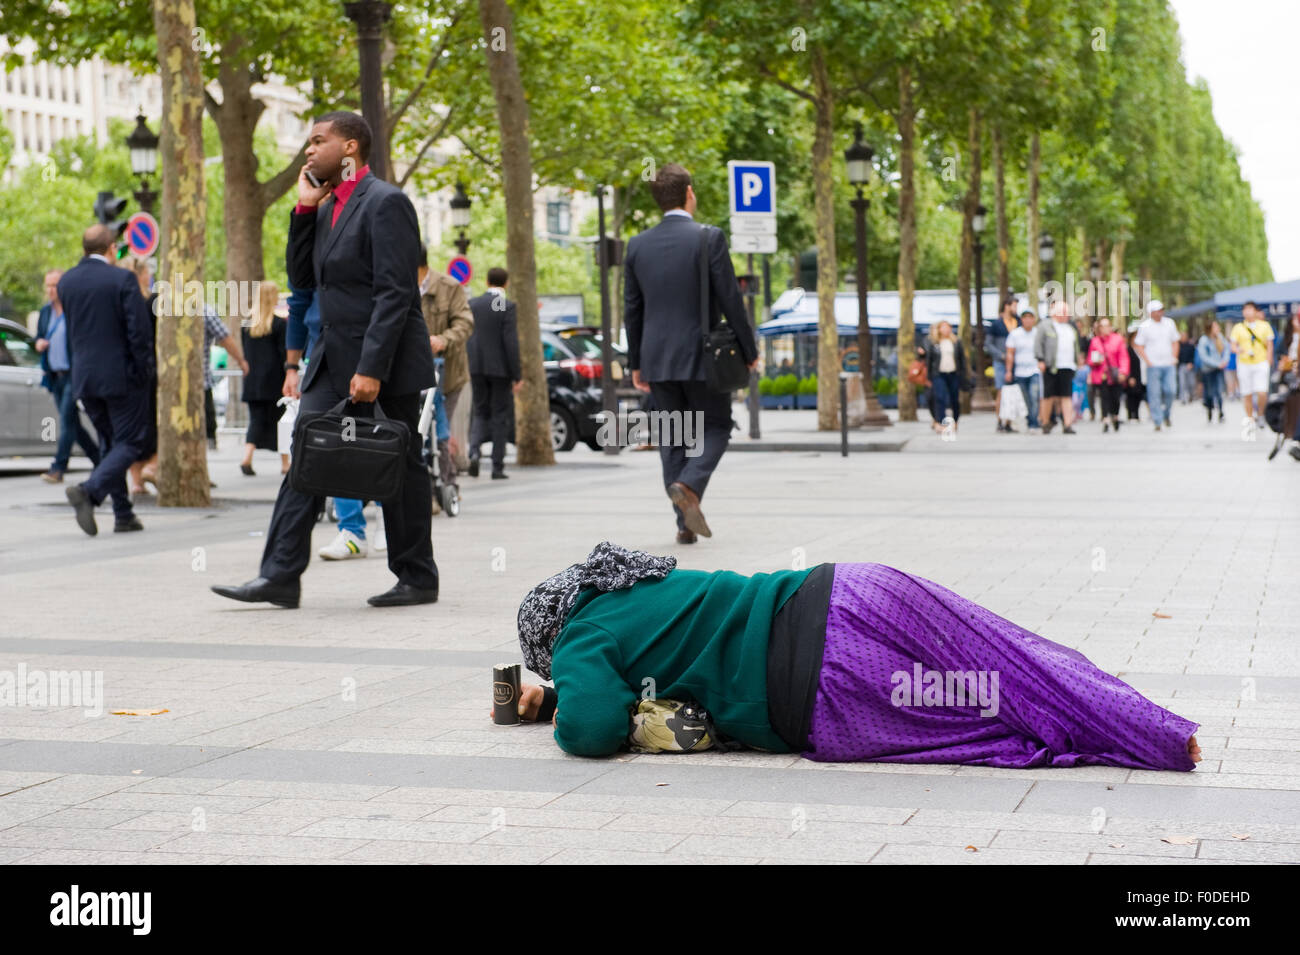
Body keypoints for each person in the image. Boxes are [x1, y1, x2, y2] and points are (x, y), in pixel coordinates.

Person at [507, 543, 1203, 770]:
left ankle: (1151, 746)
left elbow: (594, 727)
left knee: (983, 720)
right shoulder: (633, 582)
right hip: (849, 590)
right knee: (1012, 664)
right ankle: (1157, 726)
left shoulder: (580, 636)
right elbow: (651, 656)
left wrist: (560, 699)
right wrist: (564, 692)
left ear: (552, 635)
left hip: (825, 685)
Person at [212, 110, 439, 609]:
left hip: (386, 362)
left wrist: (372, 369)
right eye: (308, 143)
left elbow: (395, 294)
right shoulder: (327, 205)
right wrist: (303, 210)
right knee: (306, 458)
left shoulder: (386, 202)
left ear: (351, 147)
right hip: (330, 359)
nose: (309, 150)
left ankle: (417, 576)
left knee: (401, 463)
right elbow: (303, 282)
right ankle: (279, 576)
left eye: (319, 141)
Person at [624, 163, 759, 543]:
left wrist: (636, 361)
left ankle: (683, 522)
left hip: (656, 359)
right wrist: (748, 350)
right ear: (688, 193)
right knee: (716, 426)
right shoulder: (708, 238)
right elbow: (731, 300)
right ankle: (690, 484)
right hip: (703, 357)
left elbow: (632, 309)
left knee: (671, 434)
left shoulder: (637, 245)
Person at [57, 225, 154, 536]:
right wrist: (144, 371)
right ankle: (89, 491)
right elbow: (138, 333)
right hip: (122, 377)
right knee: (130, 442)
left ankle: (123, 514)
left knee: (110, 443)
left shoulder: (67, 281)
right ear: (112, 248)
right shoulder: (122, 279)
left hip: (85, 376)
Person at [34, 268, 101, 483]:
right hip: (54, 375)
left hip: (74, 373)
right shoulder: (45, 312)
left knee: (66, 419)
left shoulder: (75, 310)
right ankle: (99, 461)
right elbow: (39, 336)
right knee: (74, 425)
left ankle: (58, 467)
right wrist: (39, 344)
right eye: (48, 285)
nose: (51, 290)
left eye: (55, 285)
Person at [465, 267, 522, 480]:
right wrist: (517, 374)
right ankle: (497, 467)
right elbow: (511, 342)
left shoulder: (473, 304)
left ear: (487, 282)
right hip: (500, 370)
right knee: (499, 416)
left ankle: (474, 450)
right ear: (505, 283)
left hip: (477, 366)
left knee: (480, 412)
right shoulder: (505, 306)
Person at [238, 281, 289, 476]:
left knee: (256, 420)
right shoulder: (278, 325)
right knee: (280, 422)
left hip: (252, 380)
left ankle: (247, 457)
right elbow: (283, 353)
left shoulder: (247, 324)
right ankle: (285, 463)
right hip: (275, 380)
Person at [119, 255, 159, 497]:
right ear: (142, 275)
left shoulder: (119, 301)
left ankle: (136, 480)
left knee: (133, 425)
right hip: (149, 369)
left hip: (125, 372)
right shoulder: (153, 301)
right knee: (154, 420)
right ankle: (152, 466)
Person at [202, 305, 249, 450]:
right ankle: (210, 440)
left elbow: (225, 338)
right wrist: (240, 360)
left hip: (197, 380)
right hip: (200, 381)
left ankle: (209, 440)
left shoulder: (164, 306)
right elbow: (225, 338)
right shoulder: (204, 310)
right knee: (207, 415)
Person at [1034, 301, 1080, 434]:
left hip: (1067, 366)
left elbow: (1075, 346)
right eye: (1065, 312)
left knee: (1066, 396)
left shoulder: (1070, 328)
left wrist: (1077, 361)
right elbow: (1038, 344)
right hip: (1051, 366)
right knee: (1048, 396)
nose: (1067, 315)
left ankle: (1067, 424)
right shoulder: (1045, 325)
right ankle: (1045, 422)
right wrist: (1040, 359)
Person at [1133, 300, 1179, 431]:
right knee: (1154, 394)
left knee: (1170, 391)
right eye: (1157, 311)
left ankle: (1166, 414)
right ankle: (1157, 420)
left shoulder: (1169, 323)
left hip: (1168, 364)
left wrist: (1174, 357)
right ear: (1151, 313)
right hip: (1153, 365)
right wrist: (1148, 361)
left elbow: (1175, 341)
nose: (1160, 313)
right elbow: (1139, 345)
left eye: (1161, 310)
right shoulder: (1145, 326)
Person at [1230, 301, 1274, 427]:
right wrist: (1239, 350)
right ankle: (1250, 418)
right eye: (1245, 309)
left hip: (1260, 362)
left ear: (1256, 311)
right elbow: (1233, 345)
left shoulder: (1265, 326)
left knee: (1262, 391)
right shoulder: (1238, 328)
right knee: (1247, 393)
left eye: (1250, 309)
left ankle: (1260, 414)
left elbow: (1270, 345)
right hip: (1244, 363)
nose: (1247, 312)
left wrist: (1268, 360)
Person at [1085, 317, 1129, 433]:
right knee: (1104, 397)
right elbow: (1089, 359)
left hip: (1115, 374)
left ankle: (1115, 415)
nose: (1105, 328)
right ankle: (1105, 418)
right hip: (1101, 374)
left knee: (1115, 397)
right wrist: (1095, 362)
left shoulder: (1117, 339)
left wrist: (1123, 372)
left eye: (1106, 325)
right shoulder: (1095, 341)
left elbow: (1123, 357)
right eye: (1102, 326)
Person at [924, 320, 968, 433]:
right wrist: (928, 377)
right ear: (939, 329)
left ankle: (956, 421)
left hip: (953, 374)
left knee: (954, 399)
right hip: (938, 374)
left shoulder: (956, 342)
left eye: (947, 327)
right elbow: (929, 361)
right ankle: (941, 422)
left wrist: (963, 375)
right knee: (940, 398)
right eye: (943, 327)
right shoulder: (934, 343)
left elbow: (962, 360)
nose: (946, 330)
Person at [985, 297, 1019, 432]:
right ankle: (999, 420)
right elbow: (988, 344)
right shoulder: (996, 324)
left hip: (1017, 362)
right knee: (1001, 391)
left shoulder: (1018, 323)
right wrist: (1001, 355)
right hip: (1000, 362)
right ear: (1006, 306)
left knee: (1013, 392)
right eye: (1014, 306)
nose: (1016, 309)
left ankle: (1009, 422)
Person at [1004, 309, 1040, 430]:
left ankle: (1034, 423)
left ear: (1034, 319)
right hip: (1020, 372)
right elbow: (1010, 354)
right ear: (1022, 319)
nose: (1028, 320)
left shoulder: (1038, 333)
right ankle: (1030, 418)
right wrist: (1009, 371)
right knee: (1026, 398)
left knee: (1034, 396)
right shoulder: (1015, 334)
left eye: (1030, 317)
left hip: (1035, 370)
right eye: (1025, 317)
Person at [1196, 320, 1229, 424]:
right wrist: (1216, 364)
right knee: (1209, 392)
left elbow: (1227, 348)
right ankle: (1209, 409)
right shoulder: (1204, 340)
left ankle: (1220, 412)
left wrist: (1224, 361)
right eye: (1215, 327)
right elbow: (1203, 356)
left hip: (1219, 369)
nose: (1217, 329)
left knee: (1219, 391)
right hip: (1208, 370)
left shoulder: (1219, 338)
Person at [1124, 330, 1145, 421]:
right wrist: (1129, 377)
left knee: (1138, 396)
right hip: (1132, 376)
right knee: (1131, 396)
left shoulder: (1141, 349)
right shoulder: (1128, 350)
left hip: (1140, 377)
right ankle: (1131, 414)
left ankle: (1136, 414)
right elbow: (1127, 364)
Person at [1177, 331, 1197, 405]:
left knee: (1191, 383)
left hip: (1190, 366)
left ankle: (1191, 396)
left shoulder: (1191, 346)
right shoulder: (1178, 345)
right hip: (1181, 366)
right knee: (1182, 383)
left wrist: (1191, 363)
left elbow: (1194, 356)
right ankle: (1183, 398)